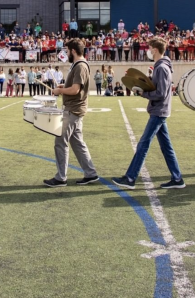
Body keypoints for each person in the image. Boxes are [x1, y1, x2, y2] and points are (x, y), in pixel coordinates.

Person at [112, 37, 186, 190]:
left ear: (155, 49)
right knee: (166, 147)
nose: (148, 51)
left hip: (159, 111)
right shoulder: (160, 67)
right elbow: (156, 87)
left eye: (149, 48)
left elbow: (161, 93)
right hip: (159, 110)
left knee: (143, 144)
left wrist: (143, 94)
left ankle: (131, 177)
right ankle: (177, 178)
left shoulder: (162, 68)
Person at [44, 38, 99, 187]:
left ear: (73, 51)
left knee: (60, 142)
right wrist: (64, 86)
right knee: (78, 143)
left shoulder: (80, 66)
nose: (67, 53)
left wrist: (59, 90)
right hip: (76, 109)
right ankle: (90, 173)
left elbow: (75, 90)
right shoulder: (80, 65)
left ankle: (61, 178)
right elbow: (74, 86)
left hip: (72, 110)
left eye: (68, 51)